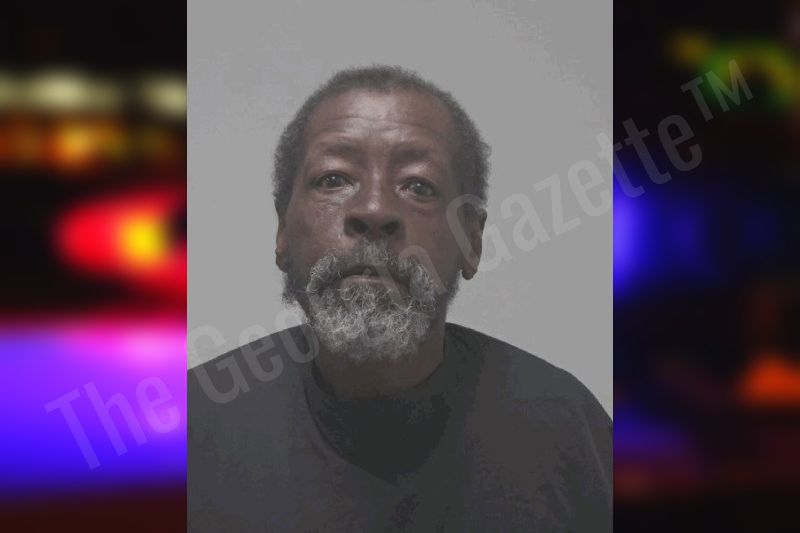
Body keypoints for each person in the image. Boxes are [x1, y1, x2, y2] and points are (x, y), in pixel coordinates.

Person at [188, 65, 612, 532]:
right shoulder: (187, 436)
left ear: (471, 241)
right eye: (333, 179)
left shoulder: (568, 432)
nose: (374, 209)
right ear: (282, 231)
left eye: (418, 186)